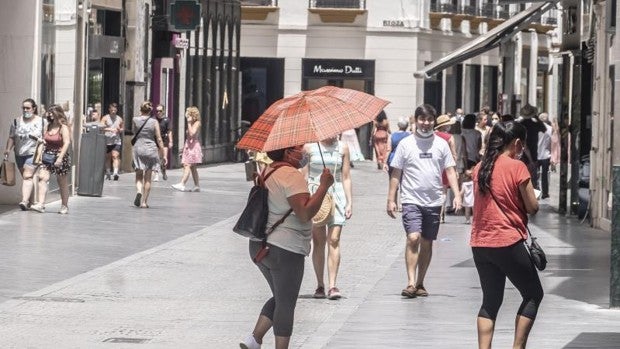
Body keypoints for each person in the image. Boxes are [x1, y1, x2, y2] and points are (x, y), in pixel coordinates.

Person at [241, 144, 334, 349]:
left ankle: (254, 340)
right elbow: (304, 213)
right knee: (286, 303)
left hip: (259, 245)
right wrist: (323, 186)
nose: (302, 152)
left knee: (282, 296)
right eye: (297, 148)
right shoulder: (291, 175)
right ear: (287, 152)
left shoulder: (268, 170)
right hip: (285, 248)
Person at [471, 121, 543, 349]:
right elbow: (532, 207)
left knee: (490, 301)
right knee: (533, 294)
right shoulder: (517, 167)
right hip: (507, 240)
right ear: (518, 143)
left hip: (480, 242)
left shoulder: (479, 167)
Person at [386, 104, 462, 298]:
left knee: (427, 242)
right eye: (422, 119)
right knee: (413, 237)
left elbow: (450, 171)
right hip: (411, 198)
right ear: (416, 120)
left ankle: (420, 282)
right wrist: (391, 198)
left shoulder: (441, 144)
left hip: (434, 200)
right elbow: (396, 172)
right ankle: (410, 282)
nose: (426, 123)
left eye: (429, 120)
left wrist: (457, 195)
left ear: (433, 121)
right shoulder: (406, 144)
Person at [304, 136, 352, 300]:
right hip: (317, 195)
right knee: (318, 241)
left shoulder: (343, 147)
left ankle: (332, 285)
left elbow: (345, 176)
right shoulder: (309, 148)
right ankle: (320, 284)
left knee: (334, 239)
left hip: (337, 196)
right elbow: (304, 174)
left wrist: (349, 201)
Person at [3, 98, 46, 210]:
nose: (25, 110)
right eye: (23, 108)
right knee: (27, 177)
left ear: (34, 108)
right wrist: (8, 149)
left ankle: (24, 201)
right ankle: (31, 202)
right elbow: (12, 137)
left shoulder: (41, 121)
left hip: (34, 153)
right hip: (19, 154)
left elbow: (46, 136)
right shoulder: (16, 121)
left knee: (27, 176)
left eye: (28, 108)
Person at [31, 105, 71, 214]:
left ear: (58, 113)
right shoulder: (48, 126)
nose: (50, 115)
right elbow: (45, 139)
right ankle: (41, 204)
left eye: (52, 112)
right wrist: (42, 141)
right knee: (42, 178)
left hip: (60, 155)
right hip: (47, 155)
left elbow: (67, 142)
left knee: (61, 181)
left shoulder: (63, 127)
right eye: (49, 113)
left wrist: (60, 158)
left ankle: (64, 206)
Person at [131, 101, 166, 208]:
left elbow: (134, 132)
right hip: (151, 149)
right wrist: (163, 154)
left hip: (139, 148)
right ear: (150, 111)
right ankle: (144, 202)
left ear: (140, 110)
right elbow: (159, 139)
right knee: (148, 177)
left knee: (138, 174)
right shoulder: (154, 122)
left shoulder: (135, 120)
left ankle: (138, 191)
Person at [172, 107, 203, 192]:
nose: (187, 115)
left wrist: (189, 123)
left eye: (188, 113)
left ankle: (182, 184)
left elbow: (192, 133)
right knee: (193, 167)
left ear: (193, 115)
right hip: (189, 146)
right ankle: (197, 185)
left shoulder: (196, 123)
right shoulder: (193, 123)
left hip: (193, 147)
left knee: (187, 165)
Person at [517, 104, 546, 189]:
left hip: (521, 155)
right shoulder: (535, 124)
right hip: (533, 154)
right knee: (533, 180)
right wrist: (537, 118)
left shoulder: (520, 124)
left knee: (522, 178)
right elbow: (544, 129)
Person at [101, 103, 123, 180]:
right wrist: (110, 129)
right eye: (112, 110)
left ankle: (115, 173)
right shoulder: (105, 118)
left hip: (116, 140)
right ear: (109, 110)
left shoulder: (119, 119)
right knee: (107, 157)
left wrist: (120, 130)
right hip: (107, 140)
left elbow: (122, 128)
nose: (113, 111)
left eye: (115, 110)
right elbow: (101, 127)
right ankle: (108, 173)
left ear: (116, 110)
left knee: (115, 156)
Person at [154, 104, 172, 181]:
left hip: (164, 140)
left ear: (163, 111)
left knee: (164, 158)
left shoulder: (167, 120)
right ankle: (156, 174)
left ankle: (163, 170)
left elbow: (169, 131)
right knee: (157, 158)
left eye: (160, 111)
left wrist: (171, 141)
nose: (158, 112)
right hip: (155, 140)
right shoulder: (153, 119)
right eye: (157, 111)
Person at [537, 112, 552, 199]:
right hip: (546, 155)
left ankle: (537, 193)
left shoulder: (535, 128)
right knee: (545, 175)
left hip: (536, 154)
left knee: (535, 175)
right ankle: (545, 193)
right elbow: (553, 143)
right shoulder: (550, 129)